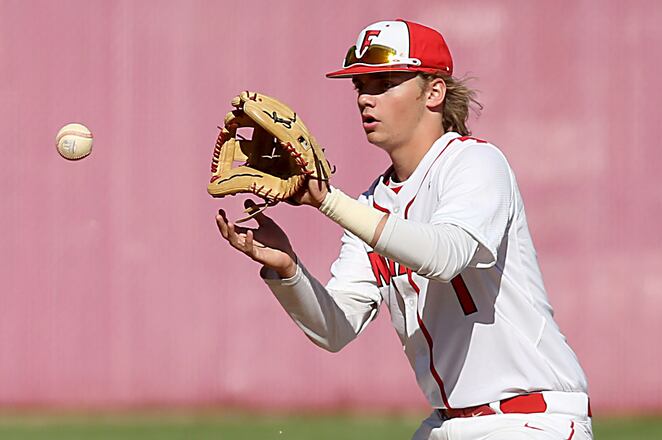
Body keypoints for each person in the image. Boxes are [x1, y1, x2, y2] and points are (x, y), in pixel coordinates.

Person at [214, 18, 591, 440]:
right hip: (446, 424)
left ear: (433, 91)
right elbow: (335, 328)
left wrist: (326, 201)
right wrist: (288, 270)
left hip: (528, 419)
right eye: (360, 86)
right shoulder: (371, 203)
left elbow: (444, 256)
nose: (365, 99)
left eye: (384, 82)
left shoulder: (475, 164)